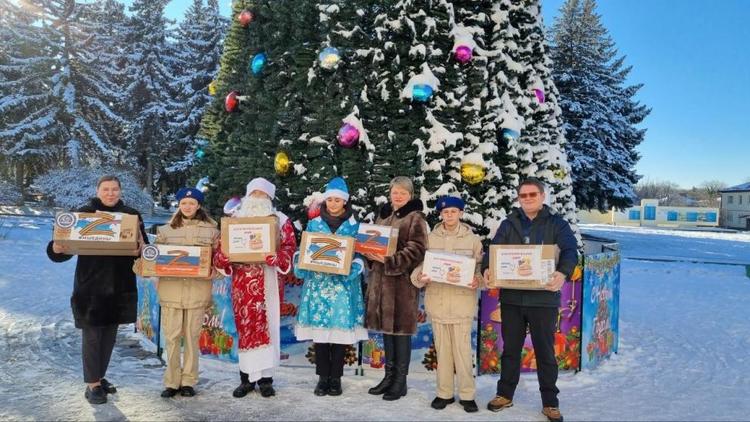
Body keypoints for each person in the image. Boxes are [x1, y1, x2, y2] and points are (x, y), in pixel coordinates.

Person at [482, 178, 577, 422]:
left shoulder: (557, 224)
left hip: (543, 300)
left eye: (532, 194)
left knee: (545, 352)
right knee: (510, 349)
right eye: (523, 195)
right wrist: (487, 268)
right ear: (518, 198)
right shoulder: (509, 224)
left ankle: (550, 402)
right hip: (512, 299)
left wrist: (562, 272)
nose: (528, 199)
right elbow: (493, 251)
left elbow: (569, 251)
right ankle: (504, 394)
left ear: (543, 196)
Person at [46, 175, 147, 405]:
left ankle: (99, 377)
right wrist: (56, 247)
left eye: (114, 189)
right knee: (92, 336)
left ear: (120, 191)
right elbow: (60, 250)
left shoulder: (131, 216)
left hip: (120, 286)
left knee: (109, 336)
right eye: (106, 189)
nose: (110, 193)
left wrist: (142, 248)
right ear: (98, 190)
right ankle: (92, 385)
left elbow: (145, 249)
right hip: (90, 287)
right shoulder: (83, 214)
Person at [213, 177, 297, 398]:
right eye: (254, 194)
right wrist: (225, 256)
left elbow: (290, 247)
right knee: (247, 328)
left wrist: (277, 257)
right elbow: (221, 250)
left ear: (269, 198)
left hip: (269, 281)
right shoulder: (234, 220)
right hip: (242, 283)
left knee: (268, 328)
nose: (258, 198)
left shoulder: (281, 220)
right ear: (248, 196)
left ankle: (266, 380)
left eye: (263, 195)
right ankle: (246, 379)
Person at [294, 177, 368, 396]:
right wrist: (301, 262)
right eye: (330, 200)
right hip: (318, 287)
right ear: (325, 201)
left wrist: (355, 266)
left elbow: (361, 253)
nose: (334, 204)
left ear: (345, 202)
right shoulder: (314, 224)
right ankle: (322, 378)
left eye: (338, 200)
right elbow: (304, 250)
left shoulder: (355, 227)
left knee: (339, 338)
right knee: (321, 337)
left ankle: (335, 379)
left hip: (343, 289)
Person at [143, 187, 219, 398]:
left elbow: (220, 261)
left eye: (192, 203)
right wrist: (146, 267)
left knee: (192, 338)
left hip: (197, 292)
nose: (188, 207)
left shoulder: (212, 231)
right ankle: (171, 381)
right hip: (171, 292)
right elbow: (154, 260)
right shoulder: (166, 231)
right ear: (179, 205)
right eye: (184, 203)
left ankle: (188, 381)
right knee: (172, 337)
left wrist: (214, 271)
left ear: (198, 205)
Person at [411, 196, 483, 413]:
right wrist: (420, 278)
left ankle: (467, 395)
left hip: (462, 305)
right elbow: (419, 269)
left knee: (462, 352)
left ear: (461, 213)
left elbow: (481, 271)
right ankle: (444, 393)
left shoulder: (472, 240)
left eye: (454, 211)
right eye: (445, 212)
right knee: (442, 353)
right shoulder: (430, 239)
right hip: (438, 304)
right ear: (440, 214)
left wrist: (477, 280)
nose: (449, 215)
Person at [363, 176, 428, 401]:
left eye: (403, 192)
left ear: (410, 195)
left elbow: (417, 250)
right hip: (380, 284)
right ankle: (388, 376)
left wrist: (388, 259)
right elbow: (373, 245)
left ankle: (400, 381)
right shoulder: (383, 215)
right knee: (387, 332)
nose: (398, 196)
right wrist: (370, 256)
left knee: (400, 333)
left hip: (400, 286)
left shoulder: (415, 217)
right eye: (395, 192)